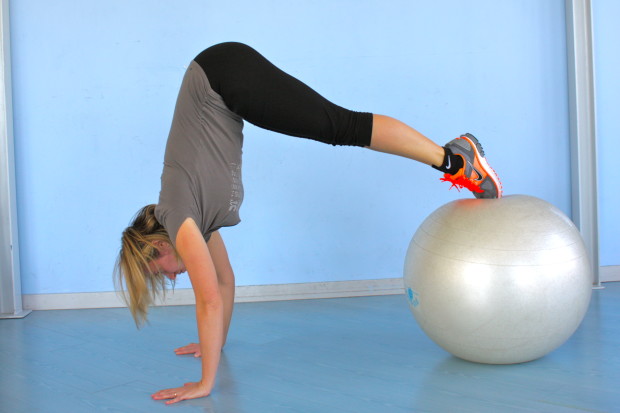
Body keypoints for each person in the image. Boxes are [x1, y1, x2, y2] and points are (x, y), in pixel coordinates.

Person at [114, 42, 502, 405]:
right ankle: (453, 159)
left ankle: (455, 160)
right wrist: (212, 343)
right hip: (222, 79)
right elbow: (224, 281)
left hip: (220, 76)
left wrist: (204, 382)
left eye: (157, 270)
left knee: (341, 126)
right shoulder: (197, 220)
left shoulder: (178, 216)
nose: (168, 278)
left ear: (159, 246)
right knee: (339, 126)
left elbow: (208, 299)